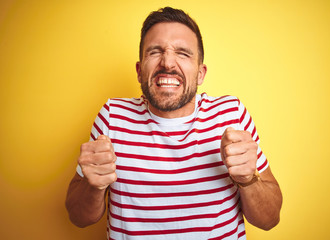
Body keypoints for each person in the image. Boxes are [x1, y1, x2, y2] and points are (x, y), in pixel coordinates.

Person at [65, 7, 282, 240]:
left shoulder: (231, 114)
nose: (168, 62)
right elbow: (79, 217)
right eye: (155, 51)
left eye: (183, 53)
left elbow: (269, 219)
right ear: (139, 71)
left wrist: (248, 181)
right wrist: (93, 186)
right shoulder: (112, 117)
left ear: (200, 73)